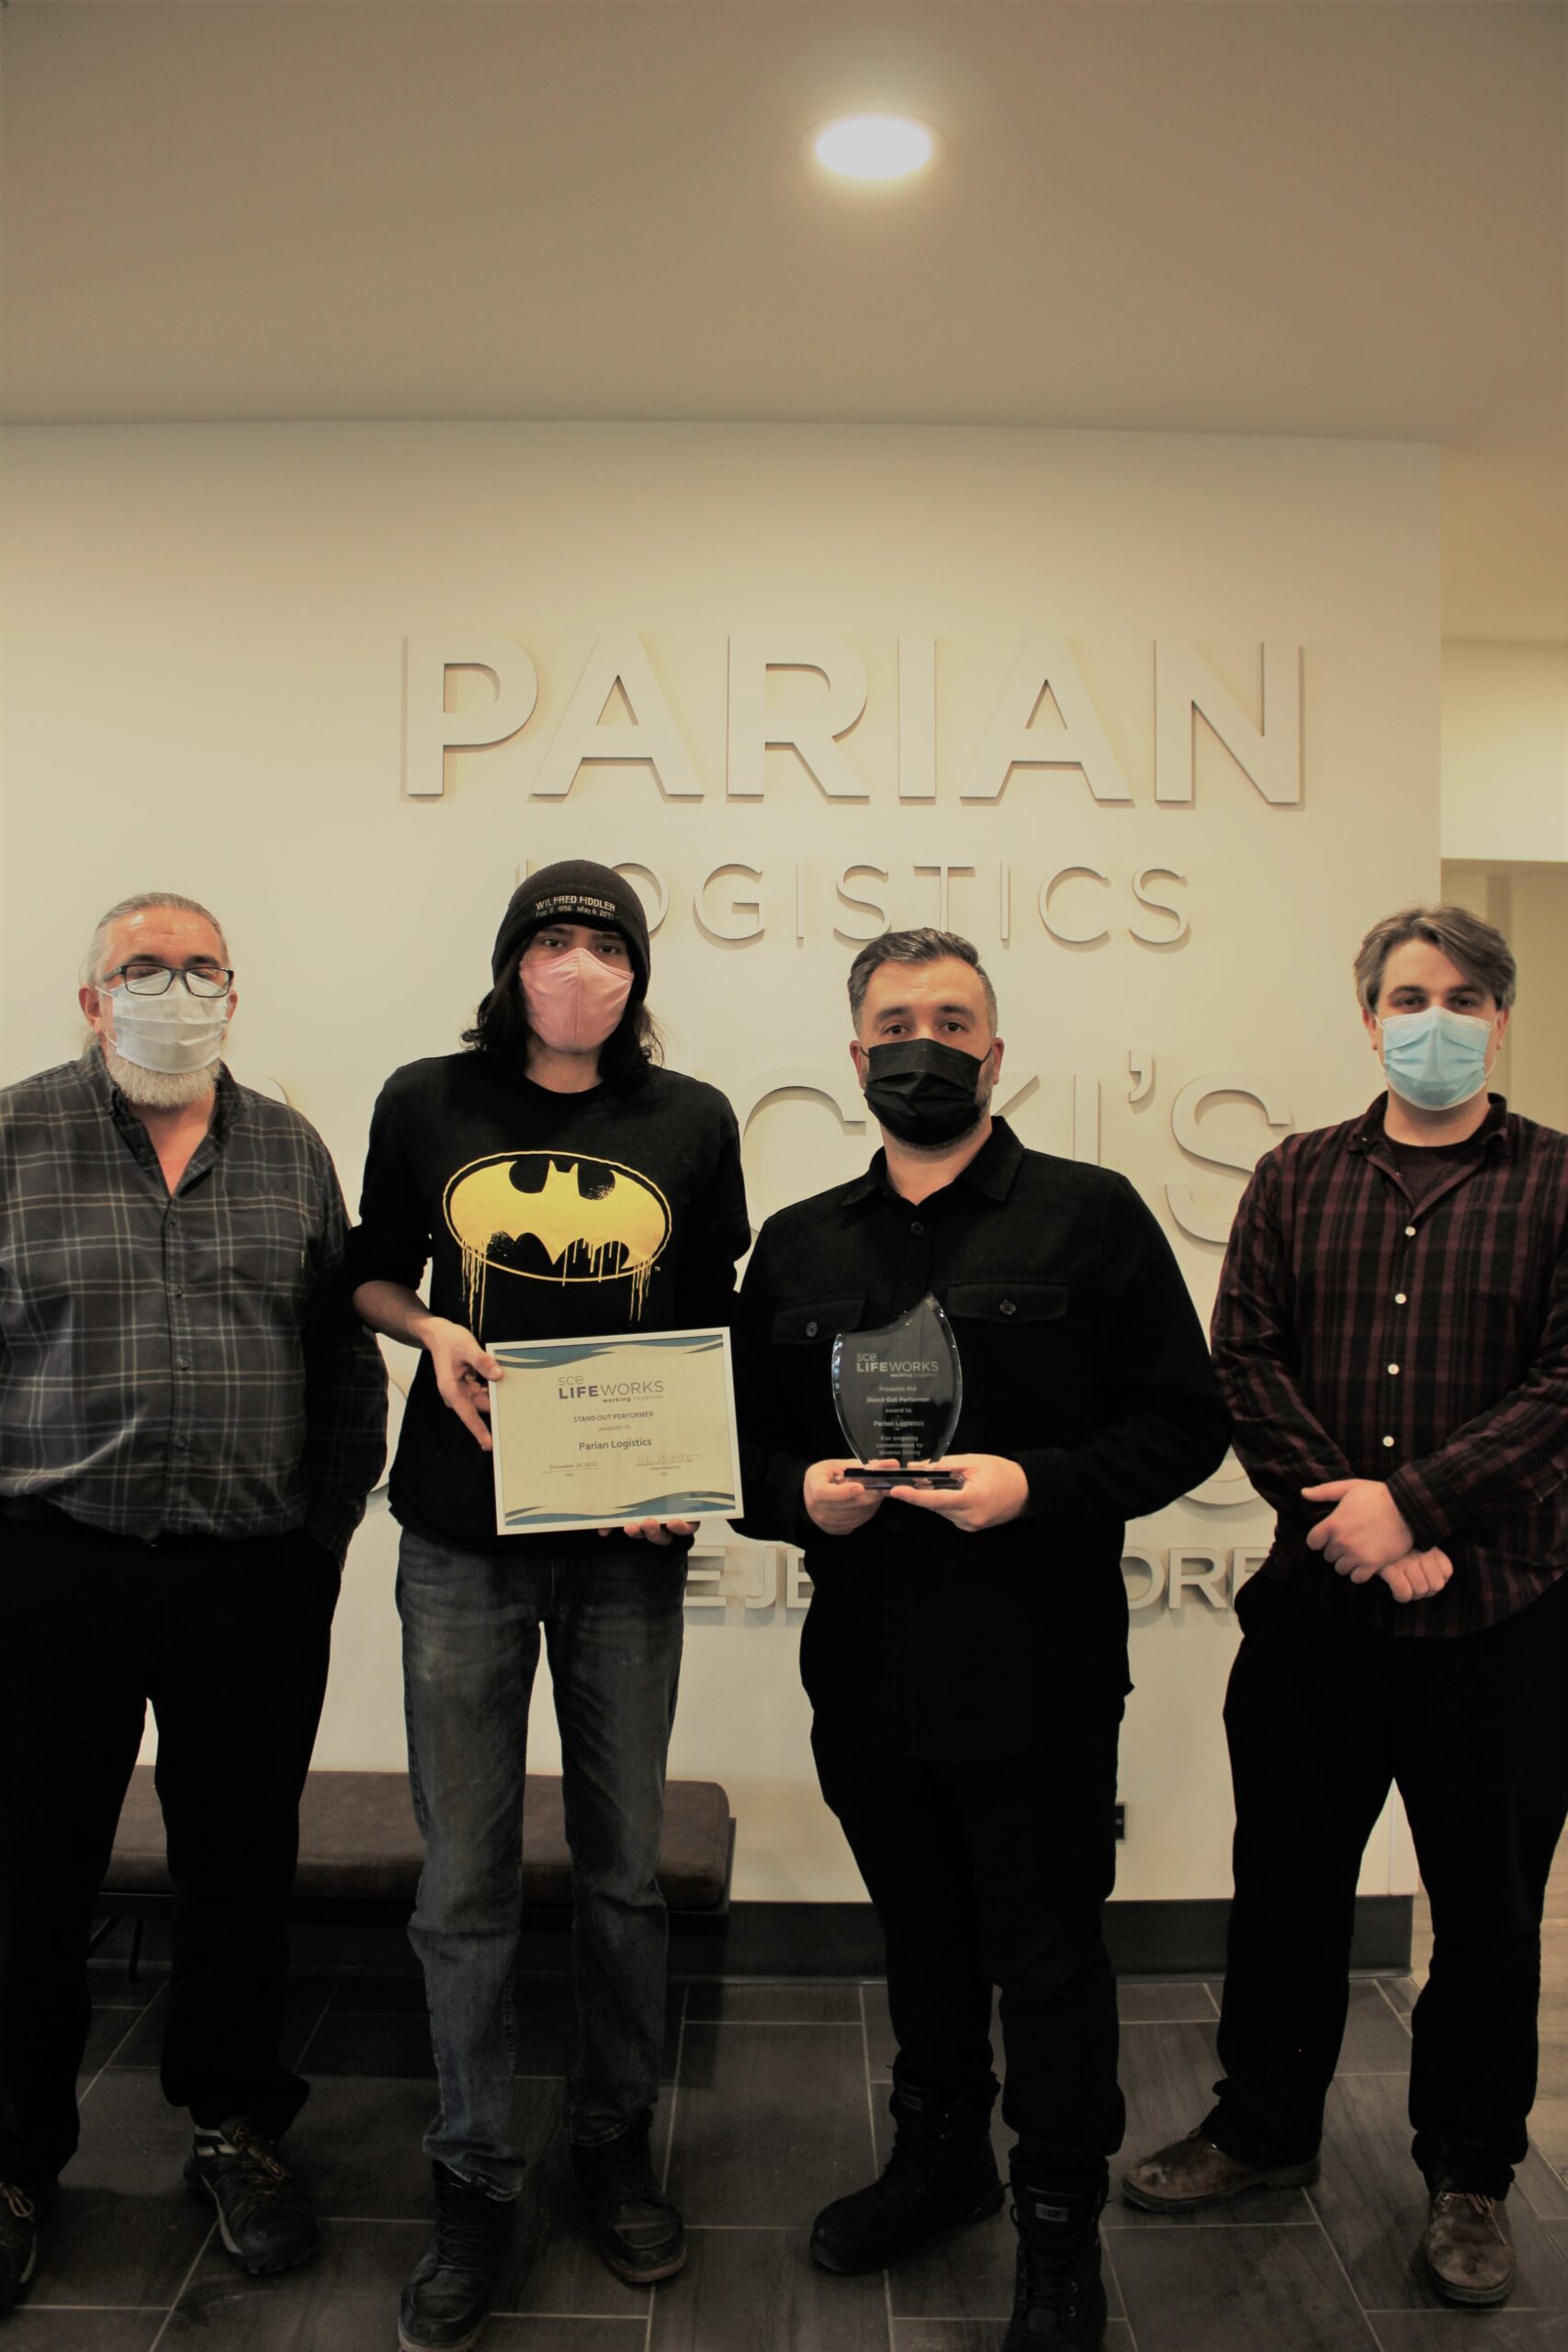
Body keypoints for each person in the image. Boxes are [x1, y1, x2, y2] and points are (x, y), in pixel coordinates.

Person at [732, 927, 1229, 2352]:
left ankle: (1057, 2222)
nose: (924, 1044)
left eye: (953, 1021)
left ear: (997, 1053)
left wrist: (1039, 1485)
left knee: (1052, 1956)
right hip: (866, 1678)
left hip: (1041, 1673)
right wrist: (794, 1501)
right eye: (896, 1021)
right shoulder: (801, 1243)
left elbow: (1186, 1421)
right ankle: (938, 2164)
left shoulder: (1093, 1213)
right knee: (925, 1943)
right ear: (854, 1057)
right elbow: (749, 1449)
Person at [1122, 904, 1568, 2308]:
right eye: (1404, 995)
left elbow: (1567, 1389)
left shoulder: (1562, 1184)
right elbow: (1243, 1364)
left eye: (1460, 997)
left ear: (1501, 1017)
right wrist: (1359, 1527)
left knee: (1489, 1917)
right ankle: (1263, 2131)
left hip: (1507, 1622)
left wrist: (1419, 1509)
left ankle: (1472, 2175)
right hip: (1318, 1618)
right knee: (1287, 1893)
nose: (1430, 1017)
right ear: (1366, 1016)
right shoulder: (1296, 1174)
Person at [348, 859, 750, 2352]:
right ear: (511, 960)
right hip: (459, 1532)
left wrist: (690, 1464)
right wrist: (431, 1327)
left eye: (605, 945)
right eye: (554, 941)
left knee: (627, 1869)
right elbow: (370, 1274)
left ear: (639, 974)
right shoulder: (424, 1098)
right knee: (462, 1876)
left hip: (626, 1538)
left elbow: (711, 1312)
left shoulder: (690, 1120)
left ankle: (610, 2143)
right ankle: (472, 2175)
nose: (578, 964)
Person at [0, 891, 387, 2314]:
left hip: (248, 1573)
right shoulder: (11, 1137)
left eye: (200, 966)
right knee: (28, 1874)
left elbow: (346, 1369)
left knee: (240, 1873)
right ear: (92, 1002)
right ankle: (16, 2156)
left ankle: (234, 2130)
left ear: (238, 993)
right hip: (52, 1564)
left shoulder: (288, 1151)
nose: (174, 986)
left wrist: (316, 1542)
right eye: (141, 968)